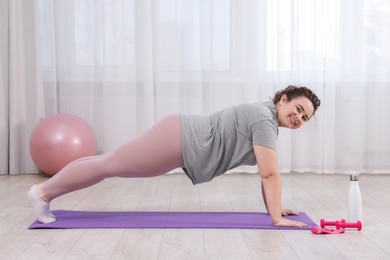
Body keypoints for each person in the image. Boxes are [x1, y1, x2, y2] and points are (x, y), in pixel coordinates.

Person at [28, 85, 321, 227]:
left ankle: (44, 193)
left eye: (305, 118)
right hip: (180, 139)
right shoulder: (264, 120)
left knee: (109, 162)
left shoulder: (265, 119)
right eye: (297, 109)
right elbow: (269, 174)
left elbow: (266, 173)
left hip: (179, 136)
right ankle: (42, 193)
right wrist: (276, 219)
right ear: (283, 99)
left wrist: (275, 209)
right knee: (109, 164)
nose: (298, 118)